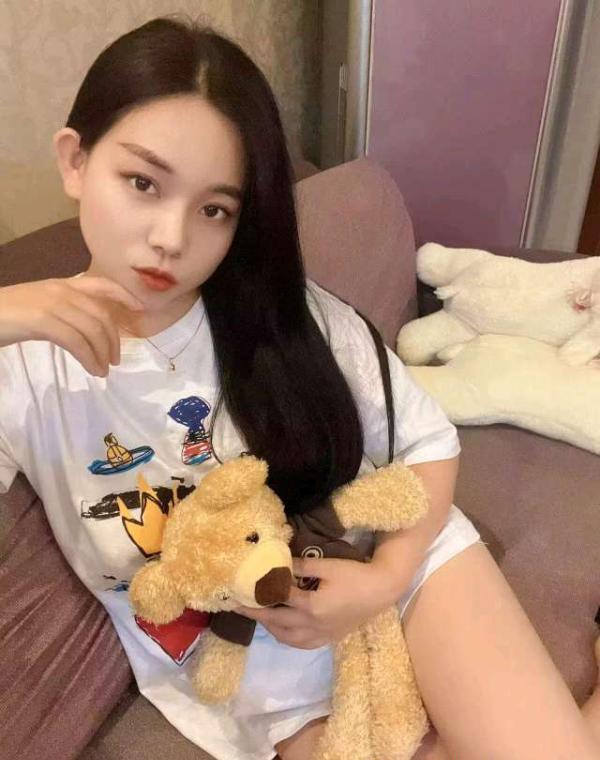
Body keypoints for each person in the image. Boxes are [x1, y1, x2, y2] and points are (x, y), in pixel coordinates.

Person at [0, 15, 599, 760]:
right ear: (75, 161)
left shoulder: (286, 314)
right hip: (252, 671)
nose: (171, 238)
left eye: (214, 209)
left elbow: (427, 444)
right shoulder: (21, 366)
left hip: (394, 571)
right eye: (143, 183)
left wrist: (384, 579)